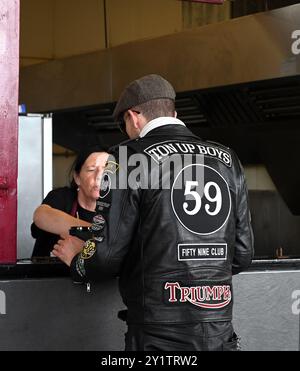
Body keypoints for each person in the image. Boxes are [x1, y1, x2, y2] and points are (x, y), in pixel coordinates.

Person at [53, 74, 254, 351]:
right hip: (219, 330)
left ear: (134, 116)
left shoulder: (126, 157)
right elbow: (242, 255)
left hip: (158, 336)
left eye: (124, 122)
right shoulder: (228, 158)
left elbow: (107, 257)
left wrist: (78, 260)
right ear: (174, 112)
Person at [31, 146, 109, 257]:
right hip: (48, 273)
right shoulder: (63, 197)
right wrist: (100, 236)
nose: (99, 176)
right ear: (77, 178)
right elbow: (41, 216)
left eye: (107, 170)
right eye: (92, 170)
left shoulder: (120, 209)